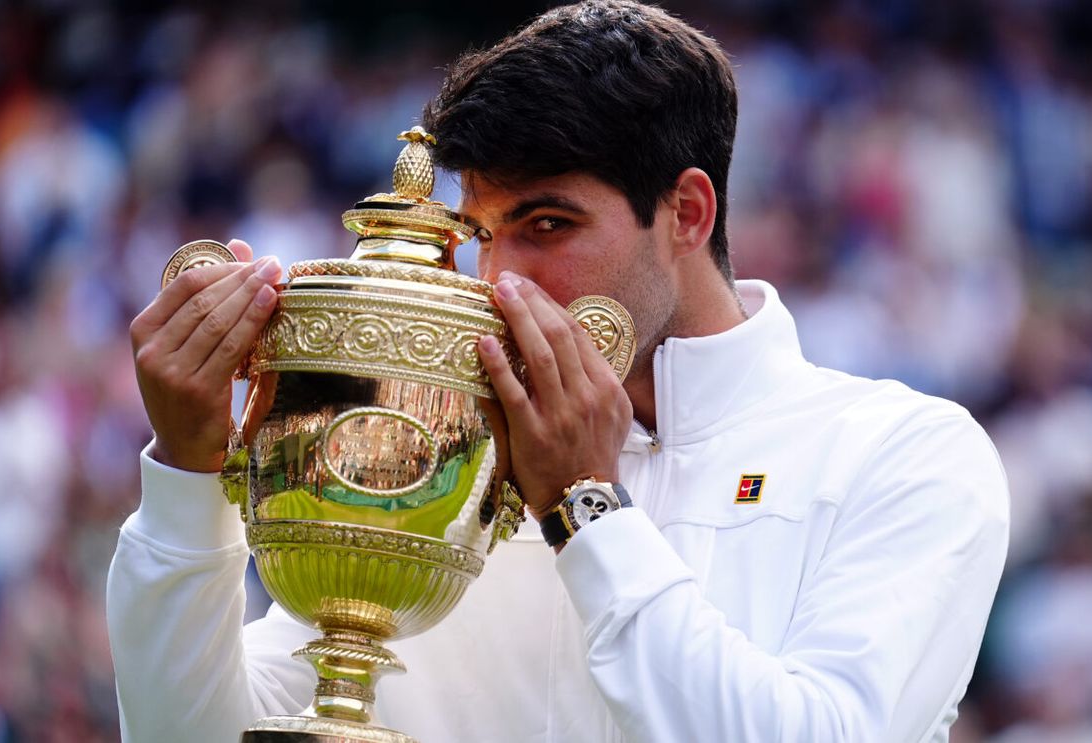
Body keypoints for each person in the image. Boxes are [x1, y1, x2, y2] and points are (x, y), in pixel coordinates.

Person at [107, 1, 1010, 741]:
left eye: (547, 226)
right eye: (483, 236)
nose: (501, 283)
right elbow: (199, 734)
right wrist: (187, 473)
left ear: (687, 213)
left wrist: (586, 505)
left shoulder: (906, 455)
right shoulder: (442, 455)